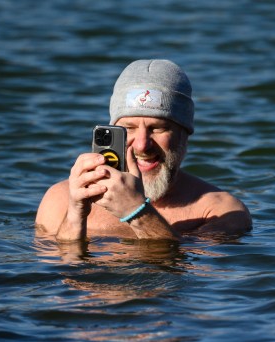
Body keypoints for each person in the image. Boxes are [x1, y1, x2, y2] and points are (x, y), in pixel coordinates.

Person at [36, 59, 251, 241]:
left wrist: (137, 212)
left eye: (158, 128)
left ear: (185, 133)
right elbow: (58, 277)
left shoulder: (221, 211)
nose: (141, 144)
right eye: (128, 128)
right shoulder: (61, 199)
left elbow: (186, 278)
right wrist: (75, 216)